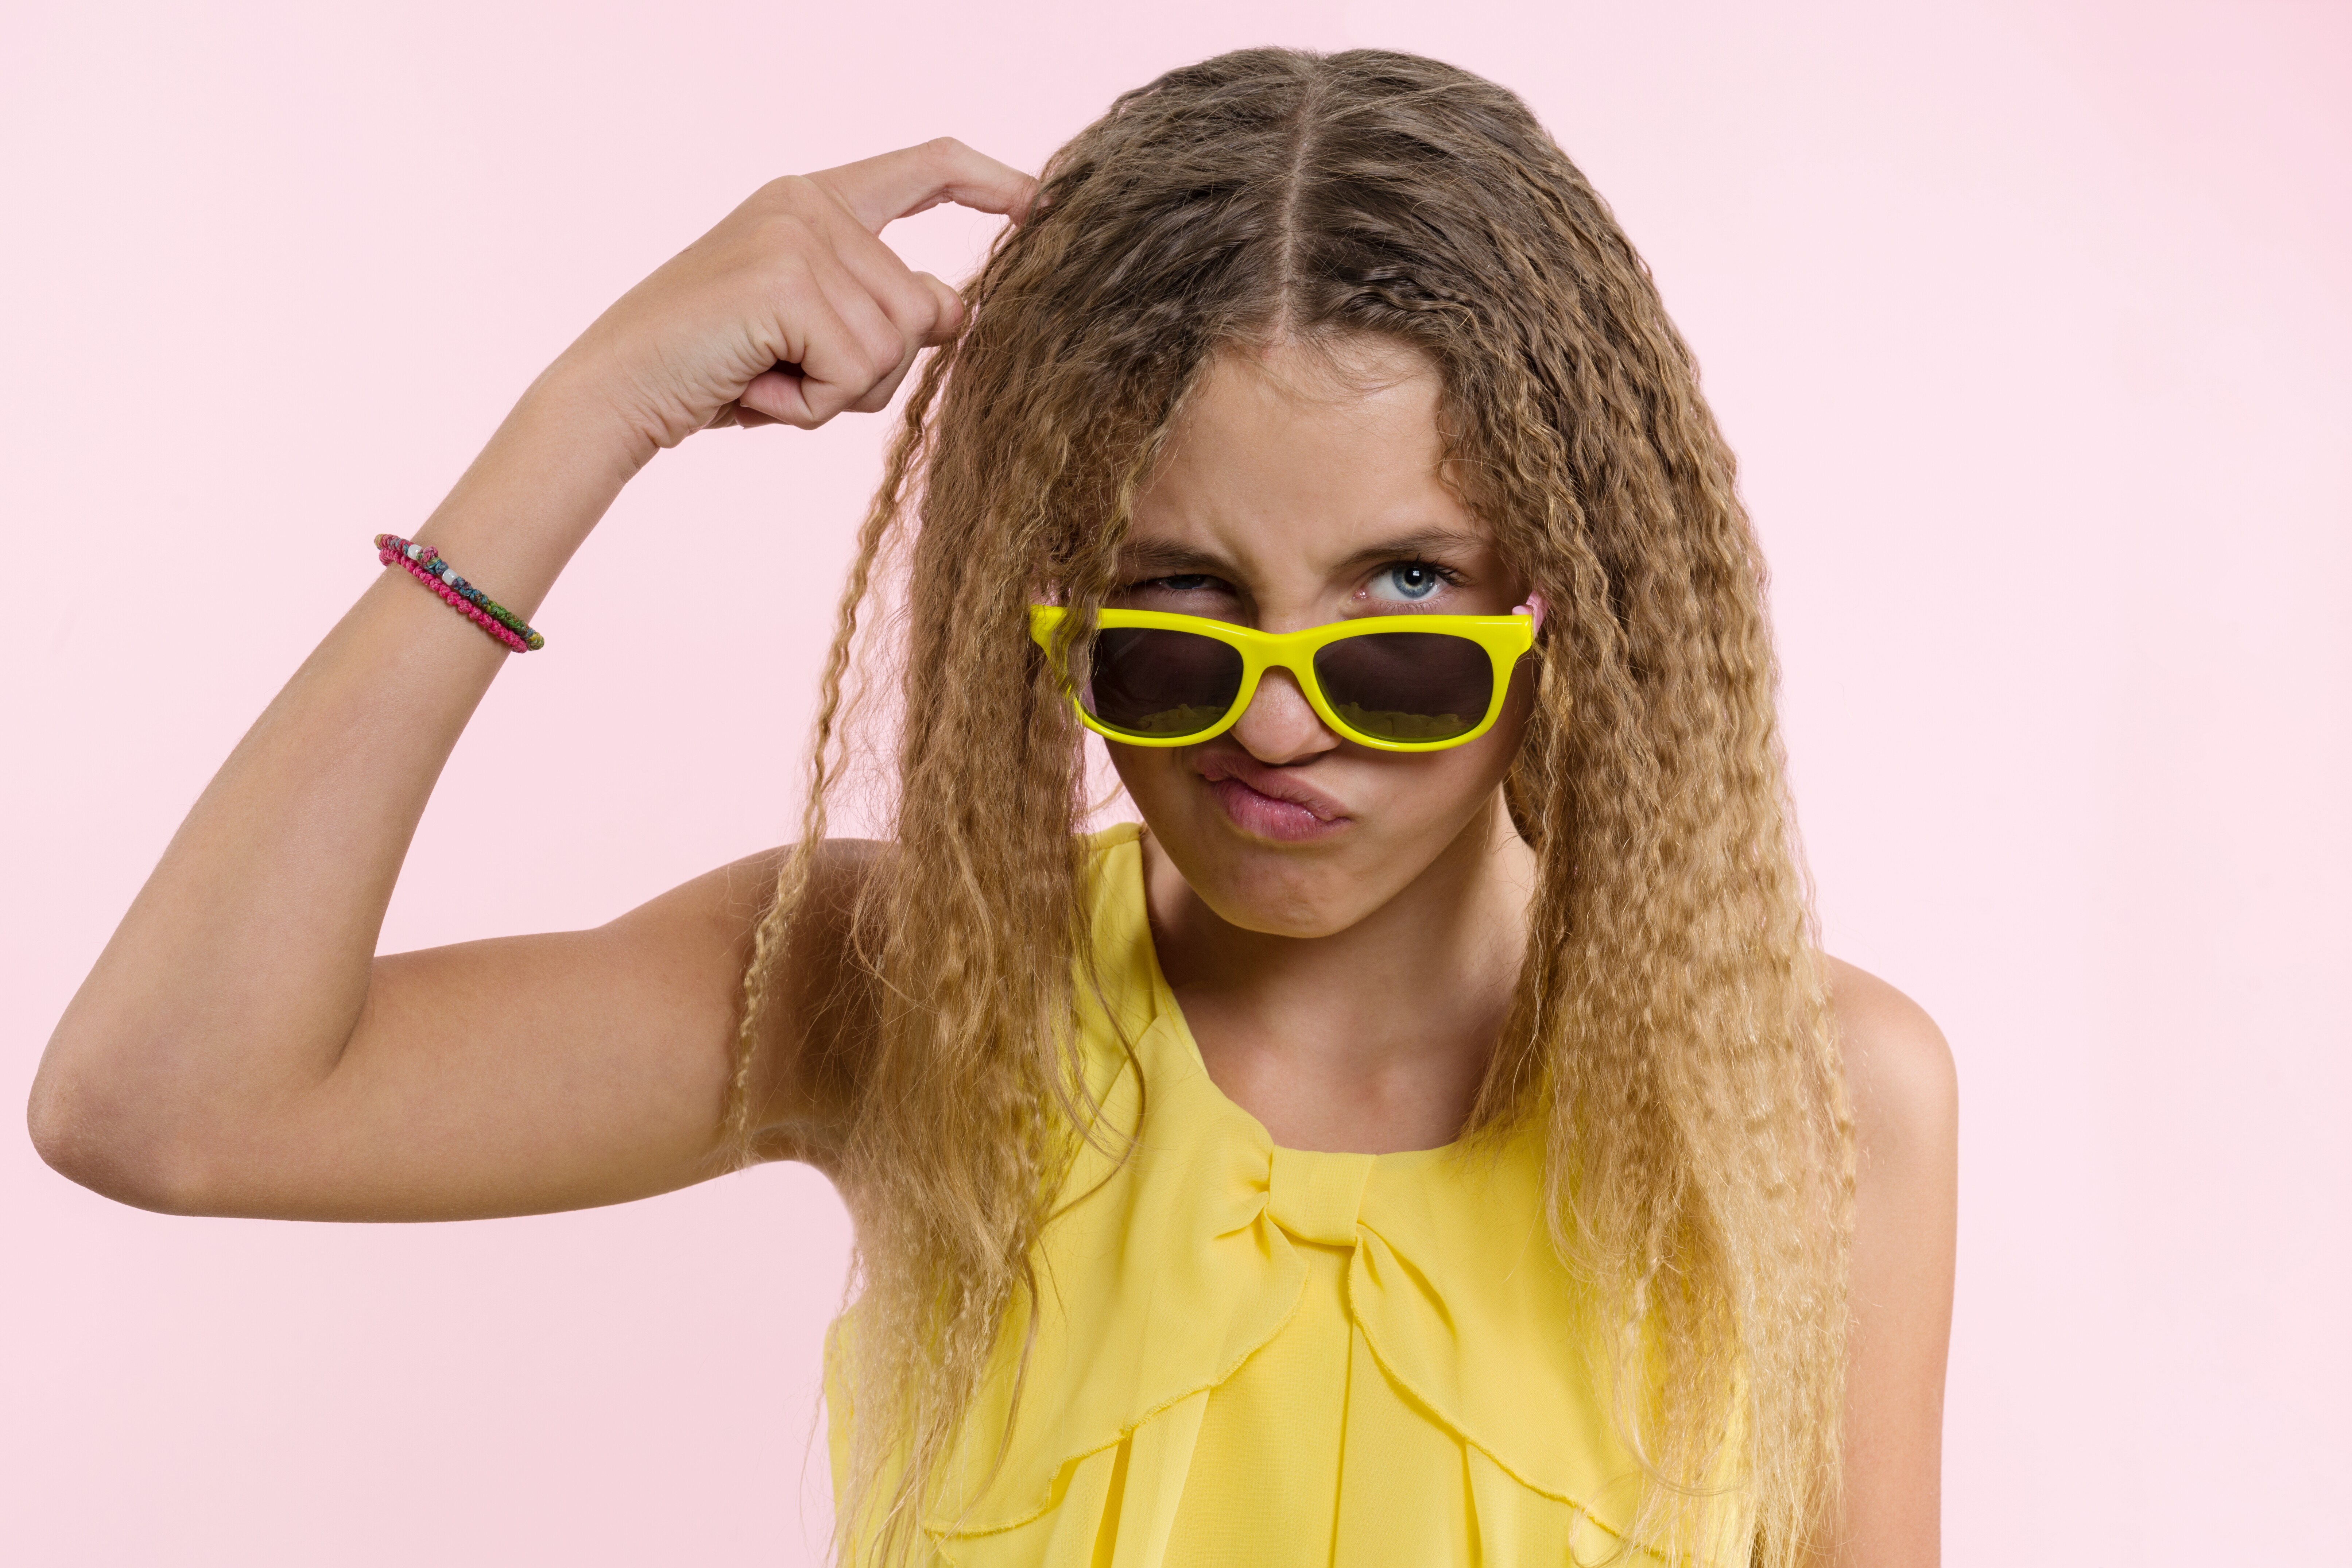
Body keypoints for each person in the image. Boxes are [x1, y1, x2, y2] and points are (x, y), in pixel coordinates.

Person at [30, 47, 1957, 1568]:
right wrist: (589, 410)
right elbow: (164, 1105)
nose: (1279, 727)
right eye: (1174, 614)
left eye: (1400, 608)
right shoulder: (907, 991)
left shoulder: (1806, 1094)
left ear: (1573, 600)